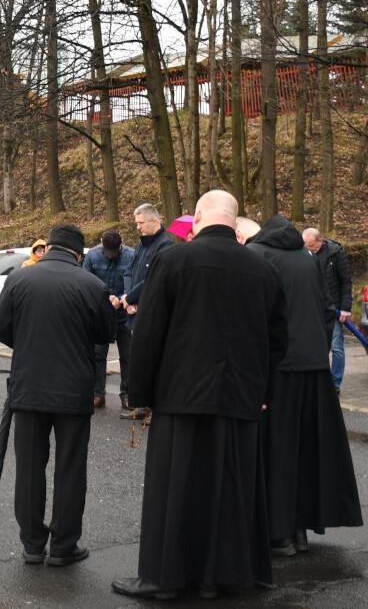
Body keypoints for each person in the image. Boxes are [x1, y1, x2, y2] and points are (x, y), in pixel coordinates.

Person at [112, 190, 288, 600]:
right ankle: (223, 576)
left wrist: (140, 391)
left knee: (174, 488)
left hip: (180, 394)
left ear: (202, 216)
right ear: (234, 219)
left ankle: (164, 577)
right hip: (241, 397)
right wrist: (264, 391)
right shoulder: (262, 268)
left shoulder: (173, 260)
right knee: (230, 487)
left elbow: (149, 331)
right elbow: (278, 340)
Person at [0, 223, 116, 566]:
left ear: (47, 248)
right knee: (70, 469)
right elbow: (106, 332)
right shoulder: (92, 285)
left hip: (28, 387)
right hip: (73, 391)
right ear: (78, 255)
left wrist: (29, 344)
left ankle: (32, 544)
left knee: (29, 467)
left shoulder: (19, 279)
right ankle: (63, 546)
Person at [243, 215, 362, 556]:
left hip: (280, 367)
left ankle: (279, 534)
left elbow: (258, 316)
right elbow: (327, 308)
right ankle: (299, 531)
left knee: (277, 450)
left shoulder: (259, 255)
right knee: (306, 450)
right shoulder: (306, 257)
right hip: (314, 367)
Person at [120, 203, 175, 420]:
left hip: (150, 311)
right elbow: (130, 272)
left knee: (153, 359)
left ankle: (154, 407)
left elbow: (151, 279)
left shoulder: (165, 246)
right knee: (138, 359)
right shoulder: (141, 244)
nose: (138, 228)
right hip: (134, 310)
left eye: (141, 223)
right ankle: (141, 404)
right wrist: (128, 299)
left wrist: (132, 298)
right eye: (137, 223)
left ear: (155, 221)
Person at [82, 230, 134, 410]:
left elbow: (135, 284)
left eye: (114, 252)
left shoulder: (131, 256)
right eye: (107, 251)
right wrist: (103, 301)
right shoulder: (92, 256)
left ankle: (127, 395)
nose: (110, 256)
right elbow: (85, 282)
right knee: (97, 355)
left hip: (124, 314)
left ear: (122, 244)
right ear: (101, 242)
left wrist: (121, 299)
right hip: (100, 314)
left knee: (127, 356)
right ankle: (97, 394)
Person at [302, 228, 352, 391]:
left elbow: (346, 281)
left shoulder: (335, 254)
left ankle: (335, 383)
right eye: (306, 247)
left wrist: (345, 308)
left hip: (334, 308)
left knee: (336, 347)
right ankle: (319, 382)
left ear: (320, 241)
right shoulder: (302, 253)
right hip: (314, 308)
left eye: (312, 247)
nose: (309, 251)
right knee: (316, 346)